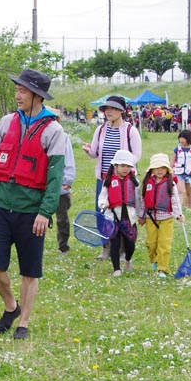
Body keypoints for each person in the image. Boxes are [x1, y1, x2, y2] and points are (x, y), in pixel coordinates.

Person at [0, 67, 66, 340]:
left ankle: (23, 323)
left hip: (32, 212)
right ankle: (11, 307)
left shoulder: (53, 130)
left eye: (22, 90)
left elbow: (55, 178)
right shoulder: (6, 123)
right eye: (16, 89)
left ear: (37, 96)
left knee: (30, 271)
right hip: (2, 206)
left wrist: (45, 211)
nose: (17, 95)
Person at [83, 94, 141, 259]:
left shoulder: (130, 130)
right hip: (104, 179)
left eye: (113, 108)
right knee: (102, 212)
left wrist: (122, 168)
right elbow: (95, 152)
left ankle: (122, 249)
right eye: (107, 108)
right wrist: (88, 151)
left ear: (121, 111)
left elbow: (136, 155)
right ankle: (106, 248)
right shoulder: (101, 130)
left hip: (123, 180)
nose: (109, 112)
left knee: (122, 213)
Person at [97, 150, 143, 276]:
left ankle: (128, 260)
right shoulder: (108, 181)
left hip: (129, 218)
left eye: (128, 166)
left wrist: (141, 214)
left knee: (130, 243)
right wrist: (103, 204)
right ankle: (116, 269)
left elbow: (138, 200)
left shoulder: (134, 182)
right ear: (115, 166)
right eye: (123, 166)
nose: (125, 169)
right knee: (115, 244)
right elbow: (102, 197)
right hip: (112, 217)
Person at [140, 153, 184, 276]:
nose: (160, 170)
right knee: (151, 243)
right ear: (152, 169)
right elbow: (144, 200)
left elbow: (175, 200)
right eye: (157, 167)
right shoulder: (148, 183)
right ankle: (154, 260)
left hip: (166, 218)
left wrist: (178, 214)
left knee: (164, 244)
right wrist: (142, 216)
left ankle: (162, 268)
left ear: (167, 169)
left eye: (163, 167)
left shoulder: (171, 184)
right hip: (151, 218)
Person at [55, 131, 76, 255]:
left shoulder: (63, 137)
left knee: (62, 218)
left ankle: (63, 246)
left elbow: (69, 160)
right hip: (40, 184)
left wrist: (67, 179)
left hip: (59, 184)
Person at [172, 129, 191, 210]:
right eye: (180, 138)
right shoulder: (177, 149)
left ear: (188, 139)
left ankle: (188, 206)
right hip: (179, 173)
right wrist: (169, 170)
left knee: (189, 192)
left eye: (183, 138)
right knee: (180, 190)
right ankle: (179, 207)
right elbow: (172, 161)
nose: (181, 140)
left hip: (190, 173)